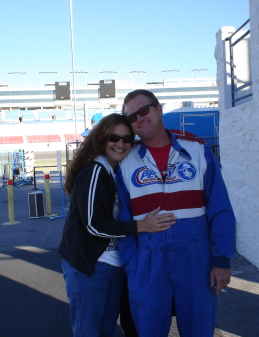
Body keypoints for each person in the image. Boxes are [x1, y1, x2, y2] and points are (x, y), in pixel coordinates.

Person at [116, 90, 236, 337]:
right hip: (147, 260)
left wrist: (221, 259)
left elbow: (220, 207)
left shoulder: (198, 150)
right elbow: (123, 218)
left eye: (143, 111)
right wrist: (132, 264)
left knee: (199, 329)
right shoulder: (125, 161)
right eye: (131, 117)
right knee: (148, 330)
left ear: (158, 109)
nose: (139, 119)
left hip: (196, 258)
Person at [58, 113, 176, 337]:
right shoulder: (95, 171)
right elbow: (93, 225)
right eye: (114, 137)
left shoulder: (117, 171)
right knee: (88, 332)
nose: (120, 144)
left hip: (113, 265)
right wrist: (141, 226)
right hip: (89, 267)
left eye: (126, 139)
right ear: (102, 139)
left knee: (105, 330)